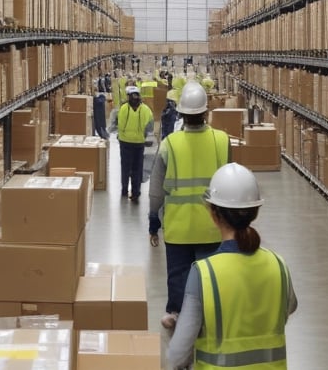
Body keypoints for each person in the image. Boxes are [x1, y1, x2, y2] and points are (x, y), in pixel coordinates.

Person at [167, 163, 297, 369]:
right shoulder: (278, 265)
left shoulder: (204, 274)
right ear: (255, 212)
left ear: (214, 214)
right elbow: (289, 307)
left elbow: (176, 356)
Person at [148, 81, 231, 329]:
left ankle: (176, 312)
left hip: (178, 226)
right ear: (206, 112)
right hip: (212, 225)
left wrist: (153, 221)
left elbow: (156, 191)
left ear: (181, 113)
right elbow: (231, 182)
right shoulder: (221, 140)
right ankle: (209, 313)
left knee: (178, 273)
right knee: (210, 274)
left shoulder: (169, 144)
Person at [110, 86, 154, 201]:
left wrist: (118, 133)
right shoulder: (146, 110)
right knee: (137, 169)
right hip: (139, 143)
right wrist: (144, 136)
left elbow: (114, 123)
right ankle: (136, 192)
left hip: (125, 142)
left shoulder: (123, 108)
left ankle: (124, 190)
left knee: (125, 167)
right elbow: (150, 126)